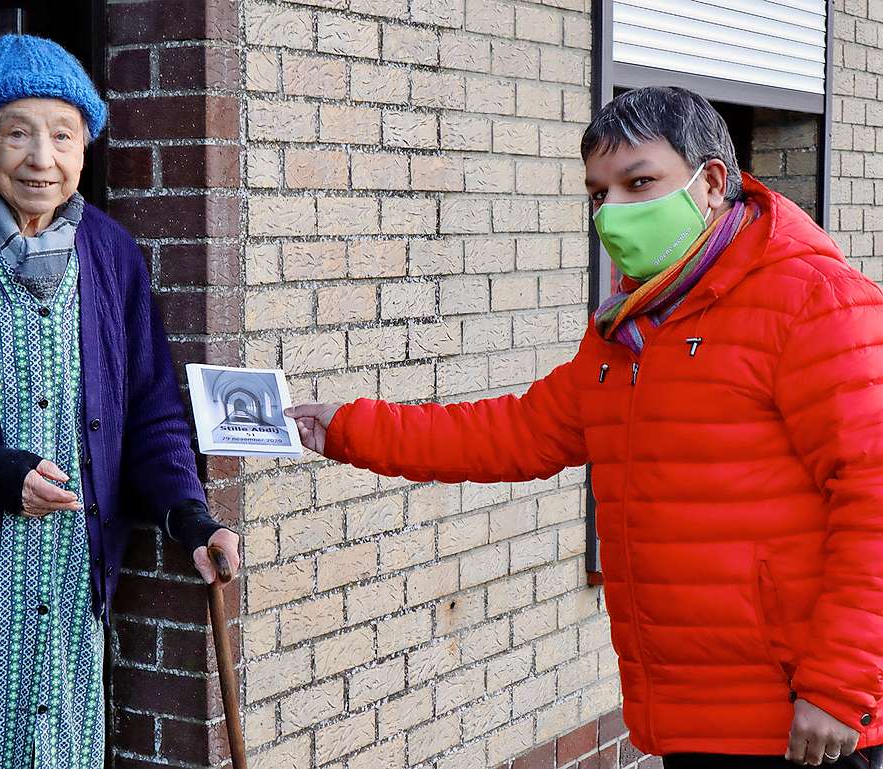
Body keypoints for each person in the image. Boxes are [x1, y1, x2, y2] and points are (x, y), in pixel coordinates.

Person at [288, 87, 883, 769]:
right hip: (698, 713)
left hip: (804, 721)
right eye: (600, 192)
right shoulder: (630, 330)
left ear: (712, 182)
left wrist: (839, 687)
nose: (615, 212)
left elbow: (874, 497)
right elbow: (511, 432)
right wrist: (349, 429)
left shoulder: (815, 301)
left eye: (639, 183)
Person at [0, 34, 239, 768]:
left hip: (62, 597)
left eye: (62, 135)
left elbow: (152, 410)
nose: (42, 158)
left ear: (85, 147)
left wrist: (188, 515)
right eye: (17, 133)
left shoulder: (112, 254)